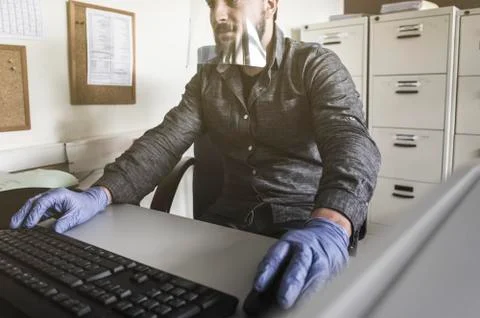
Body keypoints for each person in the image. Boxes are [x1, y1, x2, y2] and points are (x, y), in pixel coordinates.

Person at [10, 0, 381, 311]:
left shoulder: (314, 65)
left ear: (270, 4)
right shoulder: (208, 79)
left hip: (301, 226)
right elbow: (166, 140)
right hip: (226, 226)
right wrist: (98, 193)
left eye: (231, 2)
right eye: (210, 3)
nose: (217, 14)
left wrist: (333, 224)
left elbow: (351, 140)